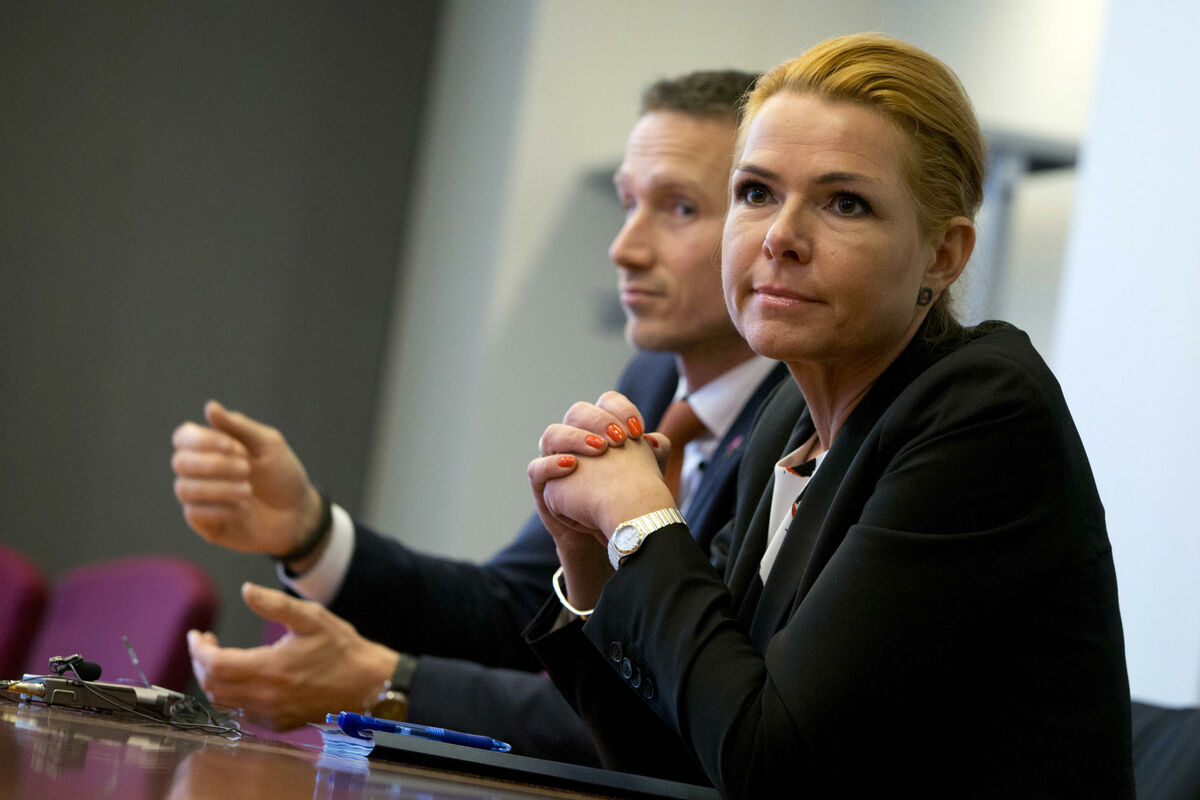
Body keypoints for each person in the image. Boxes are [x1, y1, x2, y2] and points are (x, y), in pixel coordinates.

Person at [526, 33, 1134, 797]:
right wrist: (592, 567)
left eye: (845, 203)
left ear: (943, 256)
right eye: (756, 193)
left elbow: (773, 768)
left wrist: (641, 523)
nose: (780, 237)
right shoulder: (785, 419)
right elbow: (686, 763)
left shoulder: (986, 411)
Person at [171, 69, 789, 764]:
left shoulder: (798, 424)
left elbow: (678, 706)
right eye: (627, 203)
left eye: (679, 208)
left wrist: (388, 682)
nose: (624, 248)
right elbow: (516, 607)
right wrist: (310, 531)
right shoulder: (654, 378)